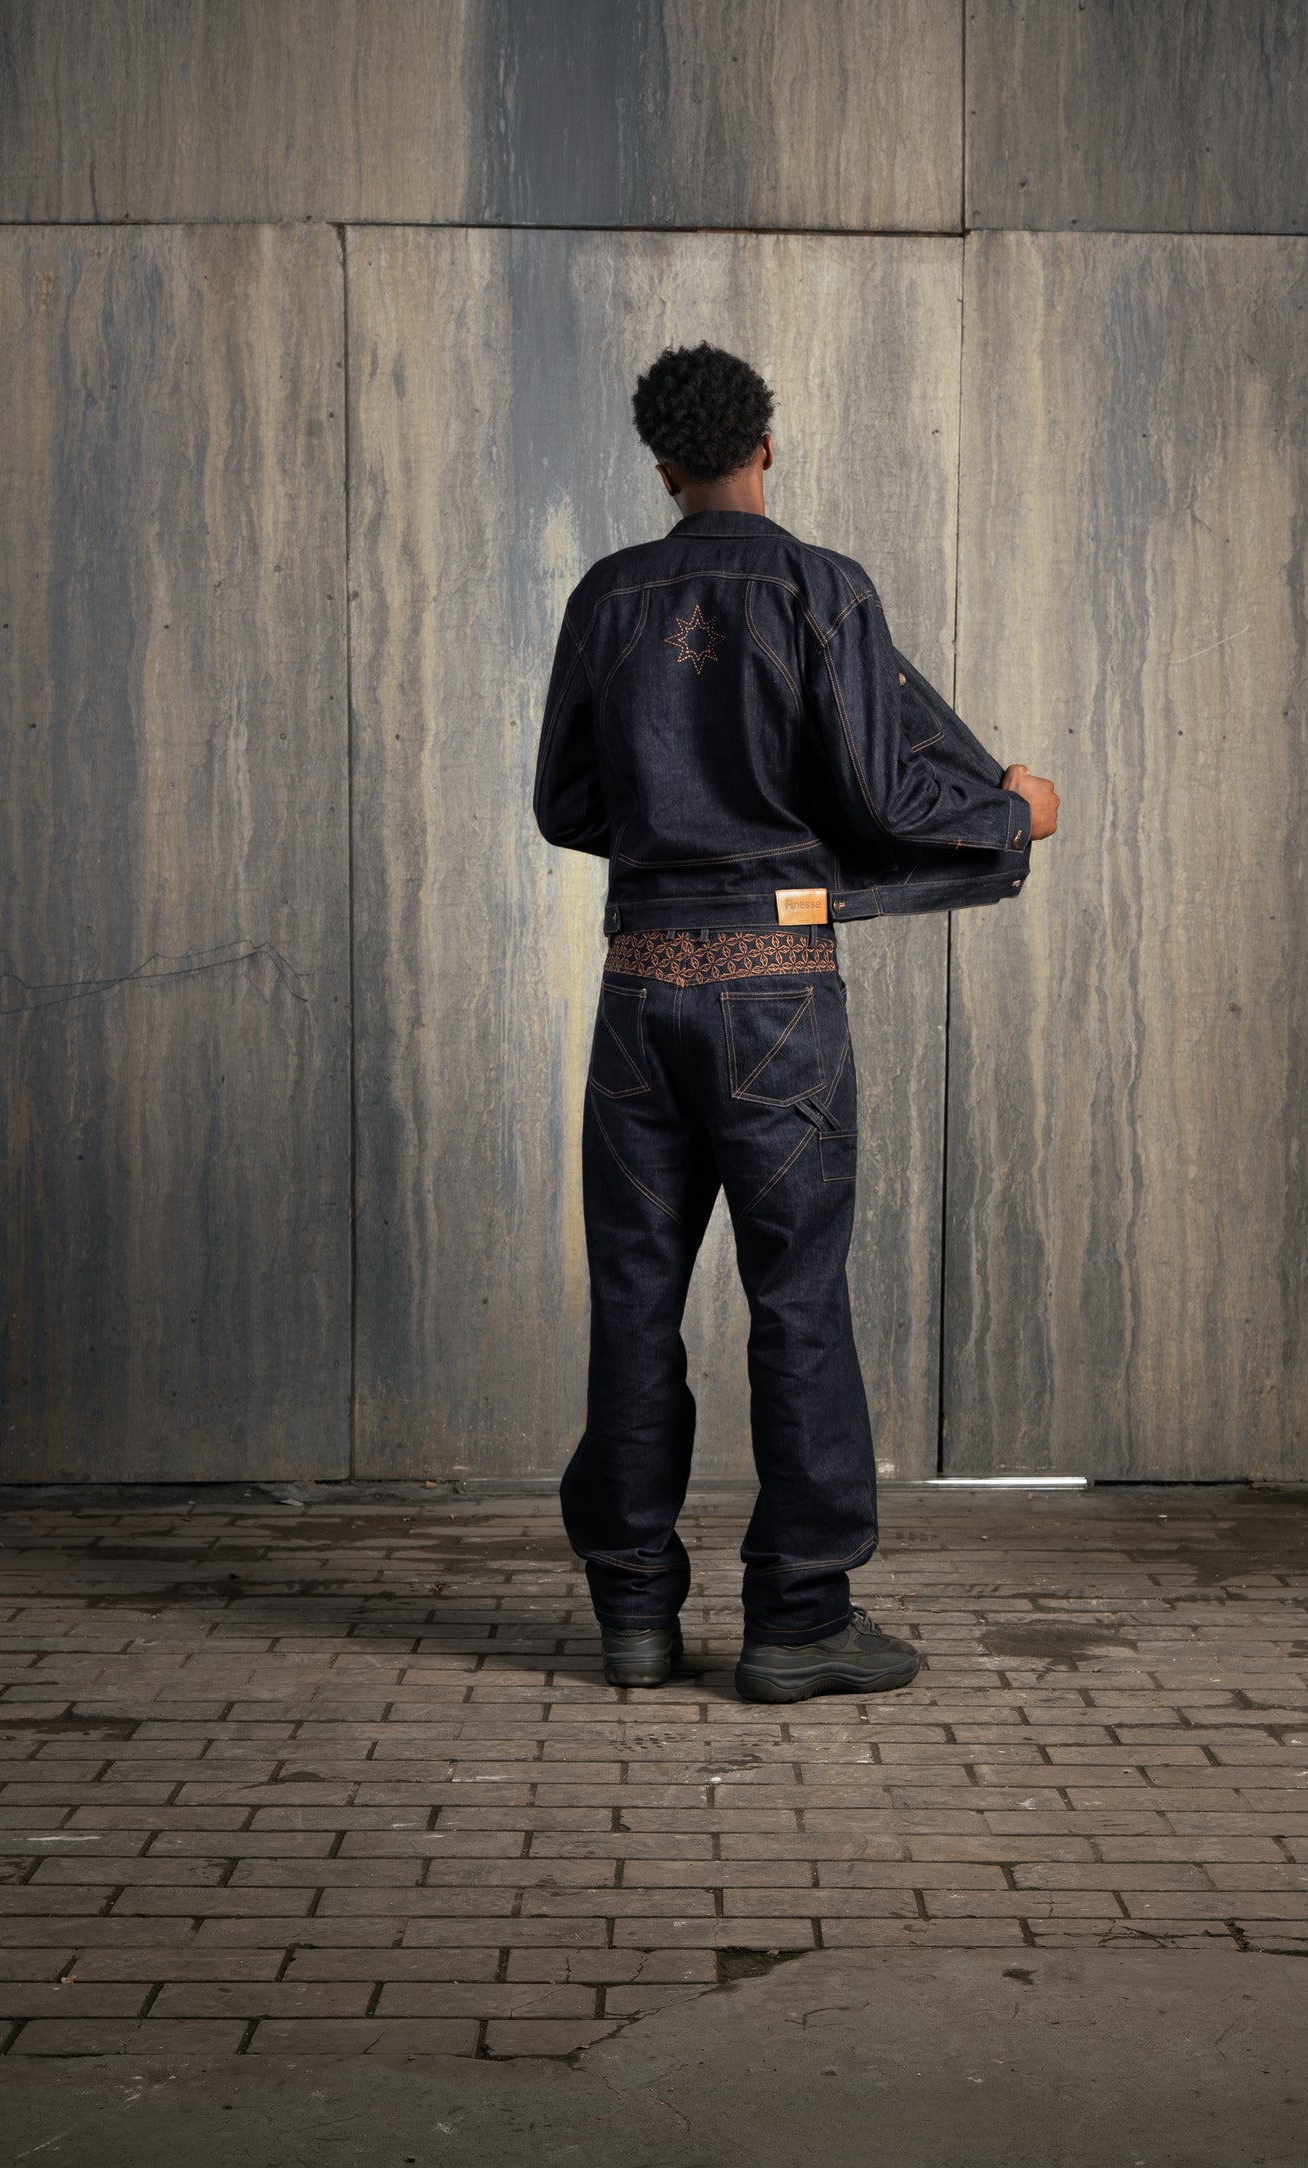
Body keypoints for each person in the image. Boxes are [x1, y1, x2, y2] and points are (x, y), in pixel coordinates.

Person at [532, 342, 1059, 1702]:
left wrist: (676, 822)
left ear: (660, 465)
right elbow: (887, 799)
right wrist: (1013, 811)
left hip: (641, 982)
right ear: (768, 447)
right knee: (797, 1298)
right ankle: (798, 1619)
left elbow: (565, 807)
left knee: (636, 1302)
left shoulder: (604, 598)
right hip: (778, 988)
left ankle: (634, 1616)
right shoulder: (821, 588)